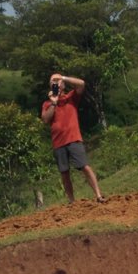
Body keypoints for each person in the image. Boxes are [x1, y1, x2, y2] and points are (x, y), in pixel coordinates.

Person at [40, 72, 104, 204]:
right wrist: (54, 103)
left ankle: (98, 195)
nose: (55, 83)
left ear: (63, 84)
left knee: (84, 166)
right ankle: (71, 201)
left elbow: (81, 84)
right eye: (52, 82)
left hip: (73, 138)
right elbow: (45, 119)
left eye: (57, 81)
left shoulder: (71, 97)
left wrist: (63, 78)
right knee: (64, 172)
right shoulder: (47, 103)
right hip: (58, 142)